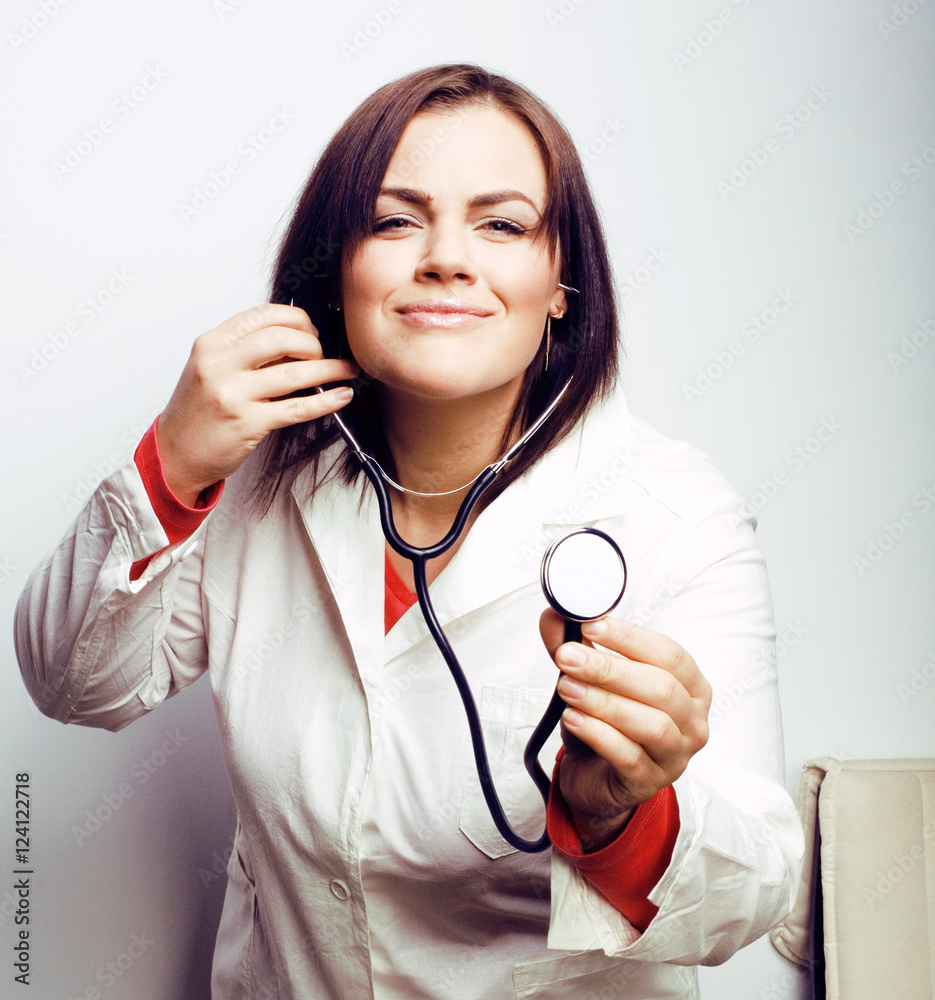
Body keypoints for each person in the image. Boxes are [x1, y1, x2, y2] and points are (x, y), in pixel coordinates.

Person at [15, 64, 803, 999]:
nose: (445, 257)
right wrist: (173, 461)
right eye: (395, 220)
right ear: (334, 273)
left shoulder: (674, 511)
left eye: (502, 224)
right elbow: (73, 683)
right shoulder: (257, 475)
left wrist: (617, 815)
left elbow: (753, 895)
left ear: (562, 286)